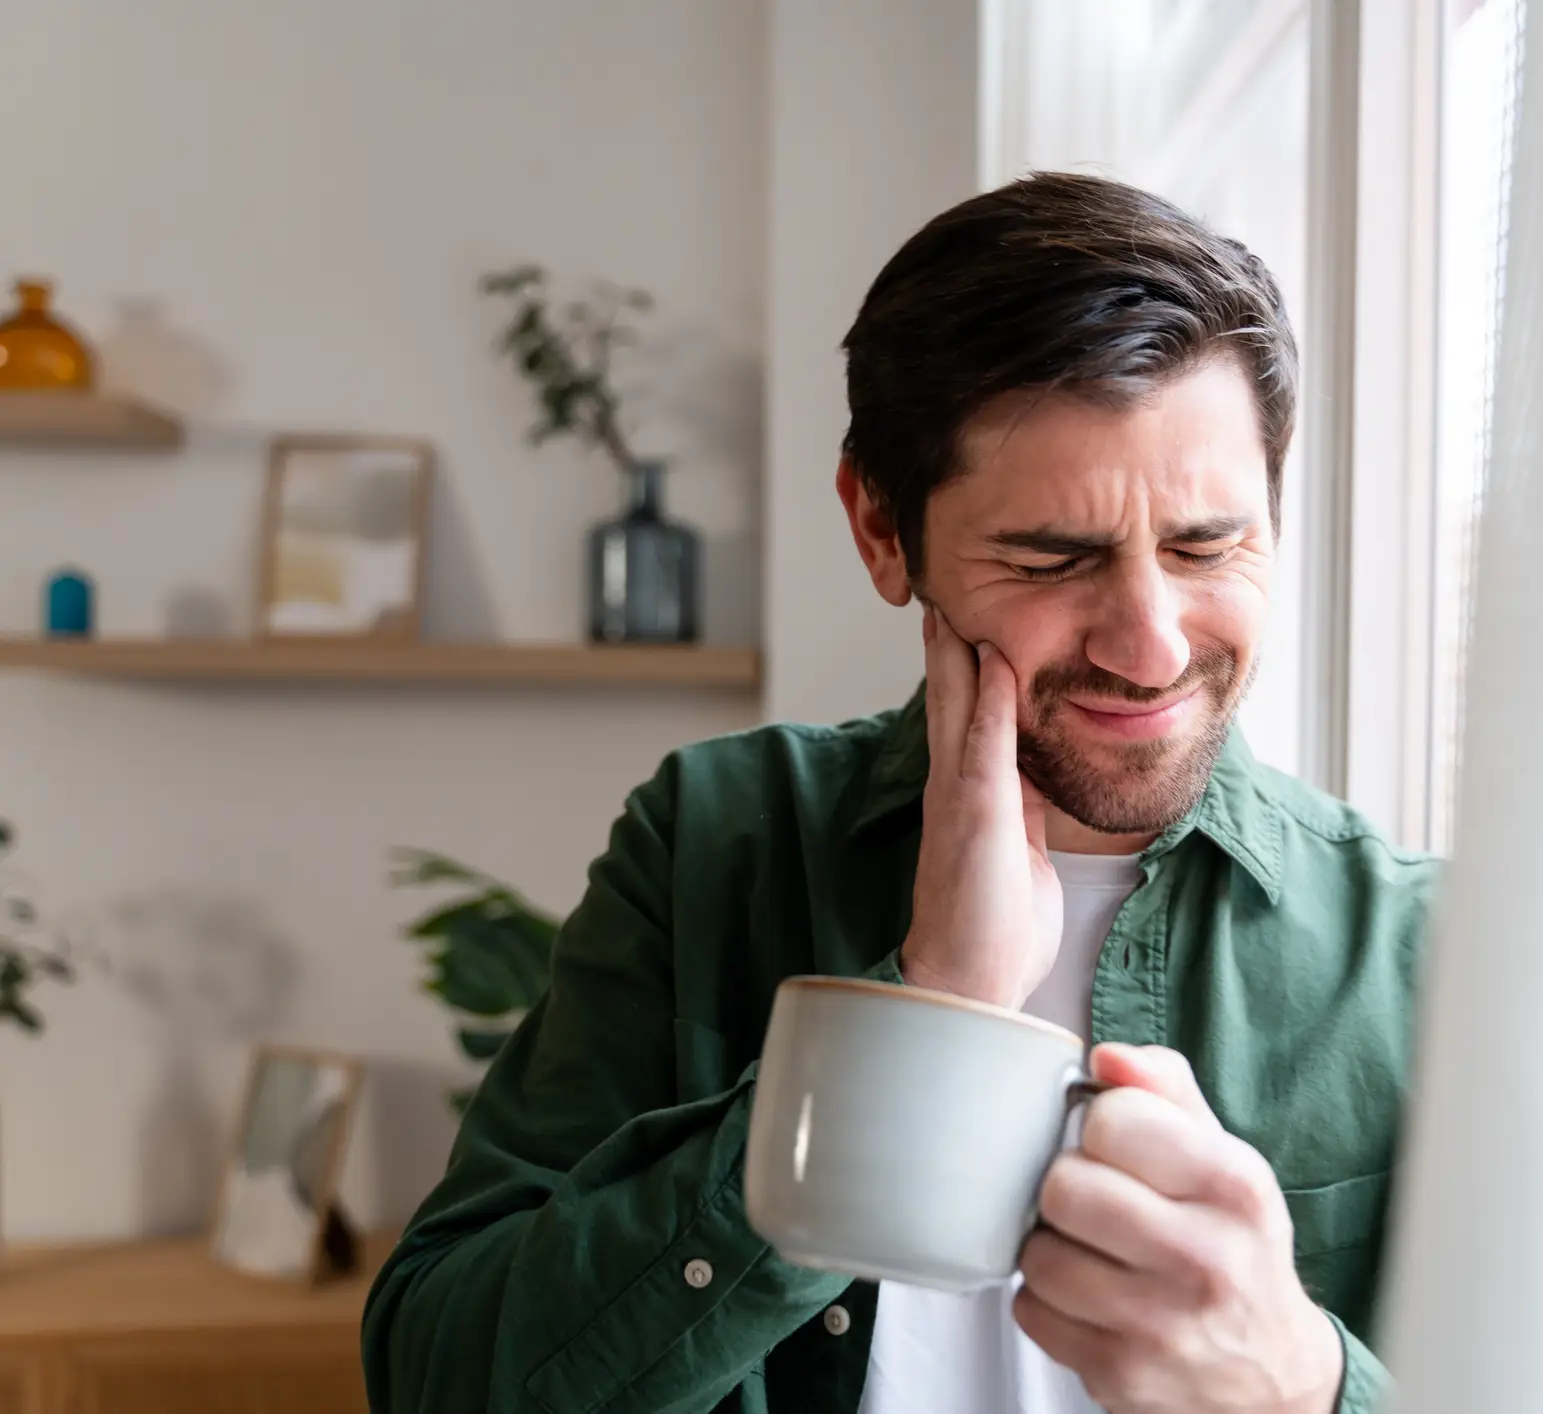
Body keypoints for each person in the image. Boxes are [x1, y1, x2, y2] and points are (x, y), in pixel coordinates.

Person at [361, 172, 1435, 1414]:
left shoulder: (1417, 952)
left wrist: (1305, 1386)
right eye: (1053, 557)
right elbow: (440, 1377)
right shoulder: (720, 839)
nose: (1151, 645)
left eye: (1207, 547)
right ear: (881, 529)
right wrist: (925, 1008)